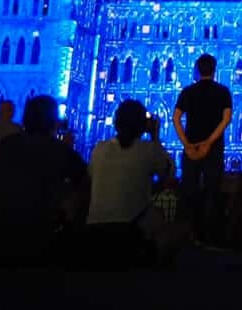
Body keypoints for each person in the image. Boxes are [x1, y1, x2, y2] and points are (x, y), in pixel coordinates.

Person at [0, 94, 88, 267]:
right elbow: (83, 180)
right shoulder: (57, 150)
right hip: (36, 241)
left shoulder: (7, 144)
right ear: (53, 121)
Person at [86, 100, 179, 266]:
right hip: (129, 233)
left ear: (115, 123)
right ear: (144, 126)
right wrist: (155, 137)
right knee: (168, 224)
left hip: (94, 234)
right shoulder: (148, 150)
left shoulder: (99, 149)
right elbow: (170, 173)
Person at [172, 53, 232, 248]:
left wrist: (187, 144)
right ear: (214, 70)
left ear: (197, 70)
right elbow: (226, 119)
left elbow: (176, 118)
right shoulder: (223, 92)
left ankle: (188, 235)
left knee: (189, 190)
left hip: (192, 149)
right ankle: (212, 237)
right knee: (213, 191)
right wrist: (209, 142)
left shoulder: (188, 91)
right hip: (213, 149)